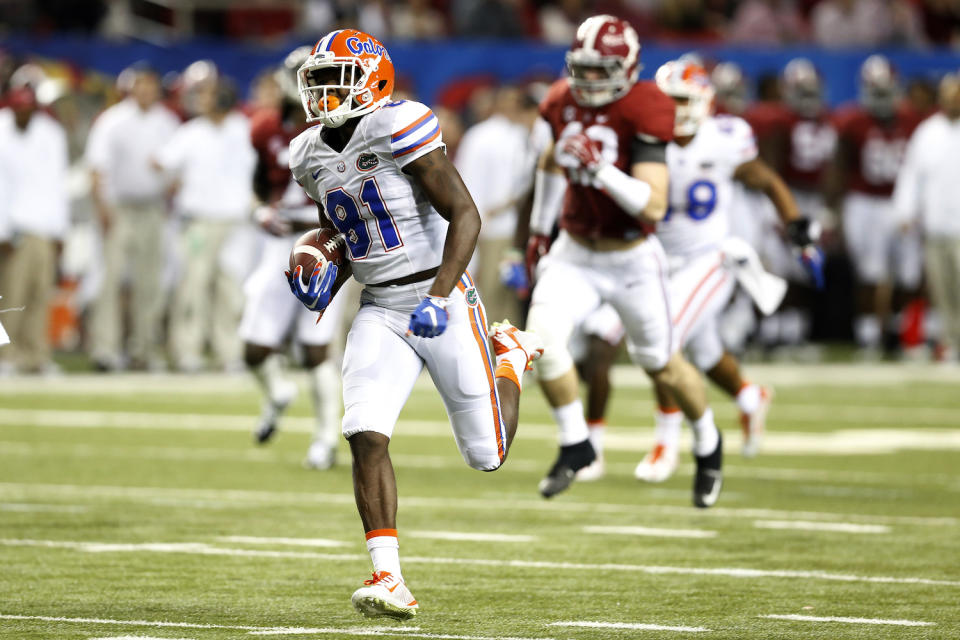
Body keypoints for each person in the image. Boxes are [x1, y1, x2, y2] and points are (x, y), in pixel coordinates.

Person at [285, 29, 544, 620]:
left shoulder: (398, 123)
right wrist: (323, 264)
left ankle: (510, 356)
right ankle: (388, 577)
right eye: (316, 82)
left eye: (335, 80)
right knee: (365, 431)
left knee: (487, 455)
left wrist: (441, 293)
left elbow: (465, 213)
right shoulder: (307, 153)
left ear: (373, 80)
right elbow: (354, 235)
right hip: (380, 304)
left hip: (441, 294)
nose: (323, 93)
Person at [524, 15, 722, 507]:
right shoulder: (560, 100)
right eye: (584, 69)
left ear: (628, 68)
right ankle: (576, 444)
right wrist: (537, 231)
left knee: (661, 364)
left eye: (601, 70)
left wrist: (599, 170)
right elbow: (550, 162)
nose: (590, 81)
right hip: (575, 249)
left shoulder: (647, 105)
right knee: (542, 342)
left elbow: (653, 205)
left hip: (632, 256)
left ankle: (708, 440)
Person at [634, 59, 820, 482]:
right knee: (703, 352)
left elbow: (767, 179)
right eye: (668, 100)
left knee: (661, 339)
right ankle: (750, 397)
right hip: (660, 260)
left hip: (709, 258)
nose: (676, 108)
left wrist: (796, 228)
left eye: (683, 99)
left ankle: (667, 440)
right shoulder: (645, 139)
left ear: (703, 102)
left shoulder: (723, 139)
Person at [240, 47, 355, 469]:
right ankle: (278, 393)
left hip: (326, 241)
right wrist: (259, 211)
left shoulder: (341, 126)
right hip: (277, 246)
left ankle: (325, 437)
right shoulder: (267, 127)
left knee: (314, 348)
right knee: (254, 348)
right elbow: (259, 183)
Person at [154, 74, 257, 372]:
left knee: (230, 289)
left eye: (208, 94)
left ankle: (230, 352)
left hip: (236, 223)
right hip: (199, 222)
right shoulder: (191, 132)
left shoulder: (244, 129)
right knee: (193, 287)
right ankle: (188, 350)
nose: (202, 100)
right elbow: (161, 161)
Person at [85, 63, 180, 371]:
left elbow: (177, 168)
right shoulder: (113, 121)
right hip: (119, 208)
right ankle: (105, 349)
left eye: (151, 85)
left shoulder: (167, 122)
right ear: (130, 87)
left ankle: (144, 349)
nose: (145, 91)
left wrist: (169, 187)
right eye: (140, 85)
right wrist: (102, 208)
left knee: (149, 282)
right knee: (109, 279)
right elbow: (97, 167)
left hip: (153, 208)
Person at [830, 55, 923, 358]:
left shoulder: (913, 121)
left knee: (908, 274)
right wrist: (834, 207)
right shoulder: (852, 122)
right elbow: (839, 167)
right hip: (865, 201)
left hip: (900, 202)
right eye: (876, 89)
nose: (882, 97)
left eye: (885, 89)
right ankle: (869, 336)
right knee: (870, 273)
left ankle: (898, 332)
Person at [0, 70, 70, 375]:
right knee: (10, 297)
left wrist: (60, 230)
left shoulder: (51, 133)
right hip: (12, 228)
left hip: (44, 226)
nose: (24, 110)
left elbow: (57, 183)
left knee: (40, 296)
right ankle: (5, 356)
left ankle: (36, 356)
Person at [893, 71, 960, 363]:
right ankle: (949, 342)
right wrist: (906, 210)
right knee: (940, 289)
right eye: (950, 96)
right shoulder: (927, 131)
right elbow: (911, 175)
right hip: (935, 225)